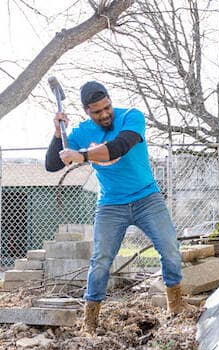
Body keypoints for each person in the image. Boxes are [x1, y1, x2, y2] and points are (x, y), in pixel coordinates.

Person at [45, 81, 195, 336]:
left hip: (147, 197)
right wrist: (59, 136)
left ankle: (176, 304)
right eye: (97, 111)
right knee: (101, 260)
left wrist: (81, 156)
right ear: (86, 111)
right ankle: (90, 322)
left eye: (107, 107)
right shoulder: (81, 133)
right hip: (111, 204)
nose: (104, 114)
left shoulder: (131, 117)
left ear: (111, 102)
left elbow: (121, 146)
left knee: (170, 247)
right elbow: (51, 165)